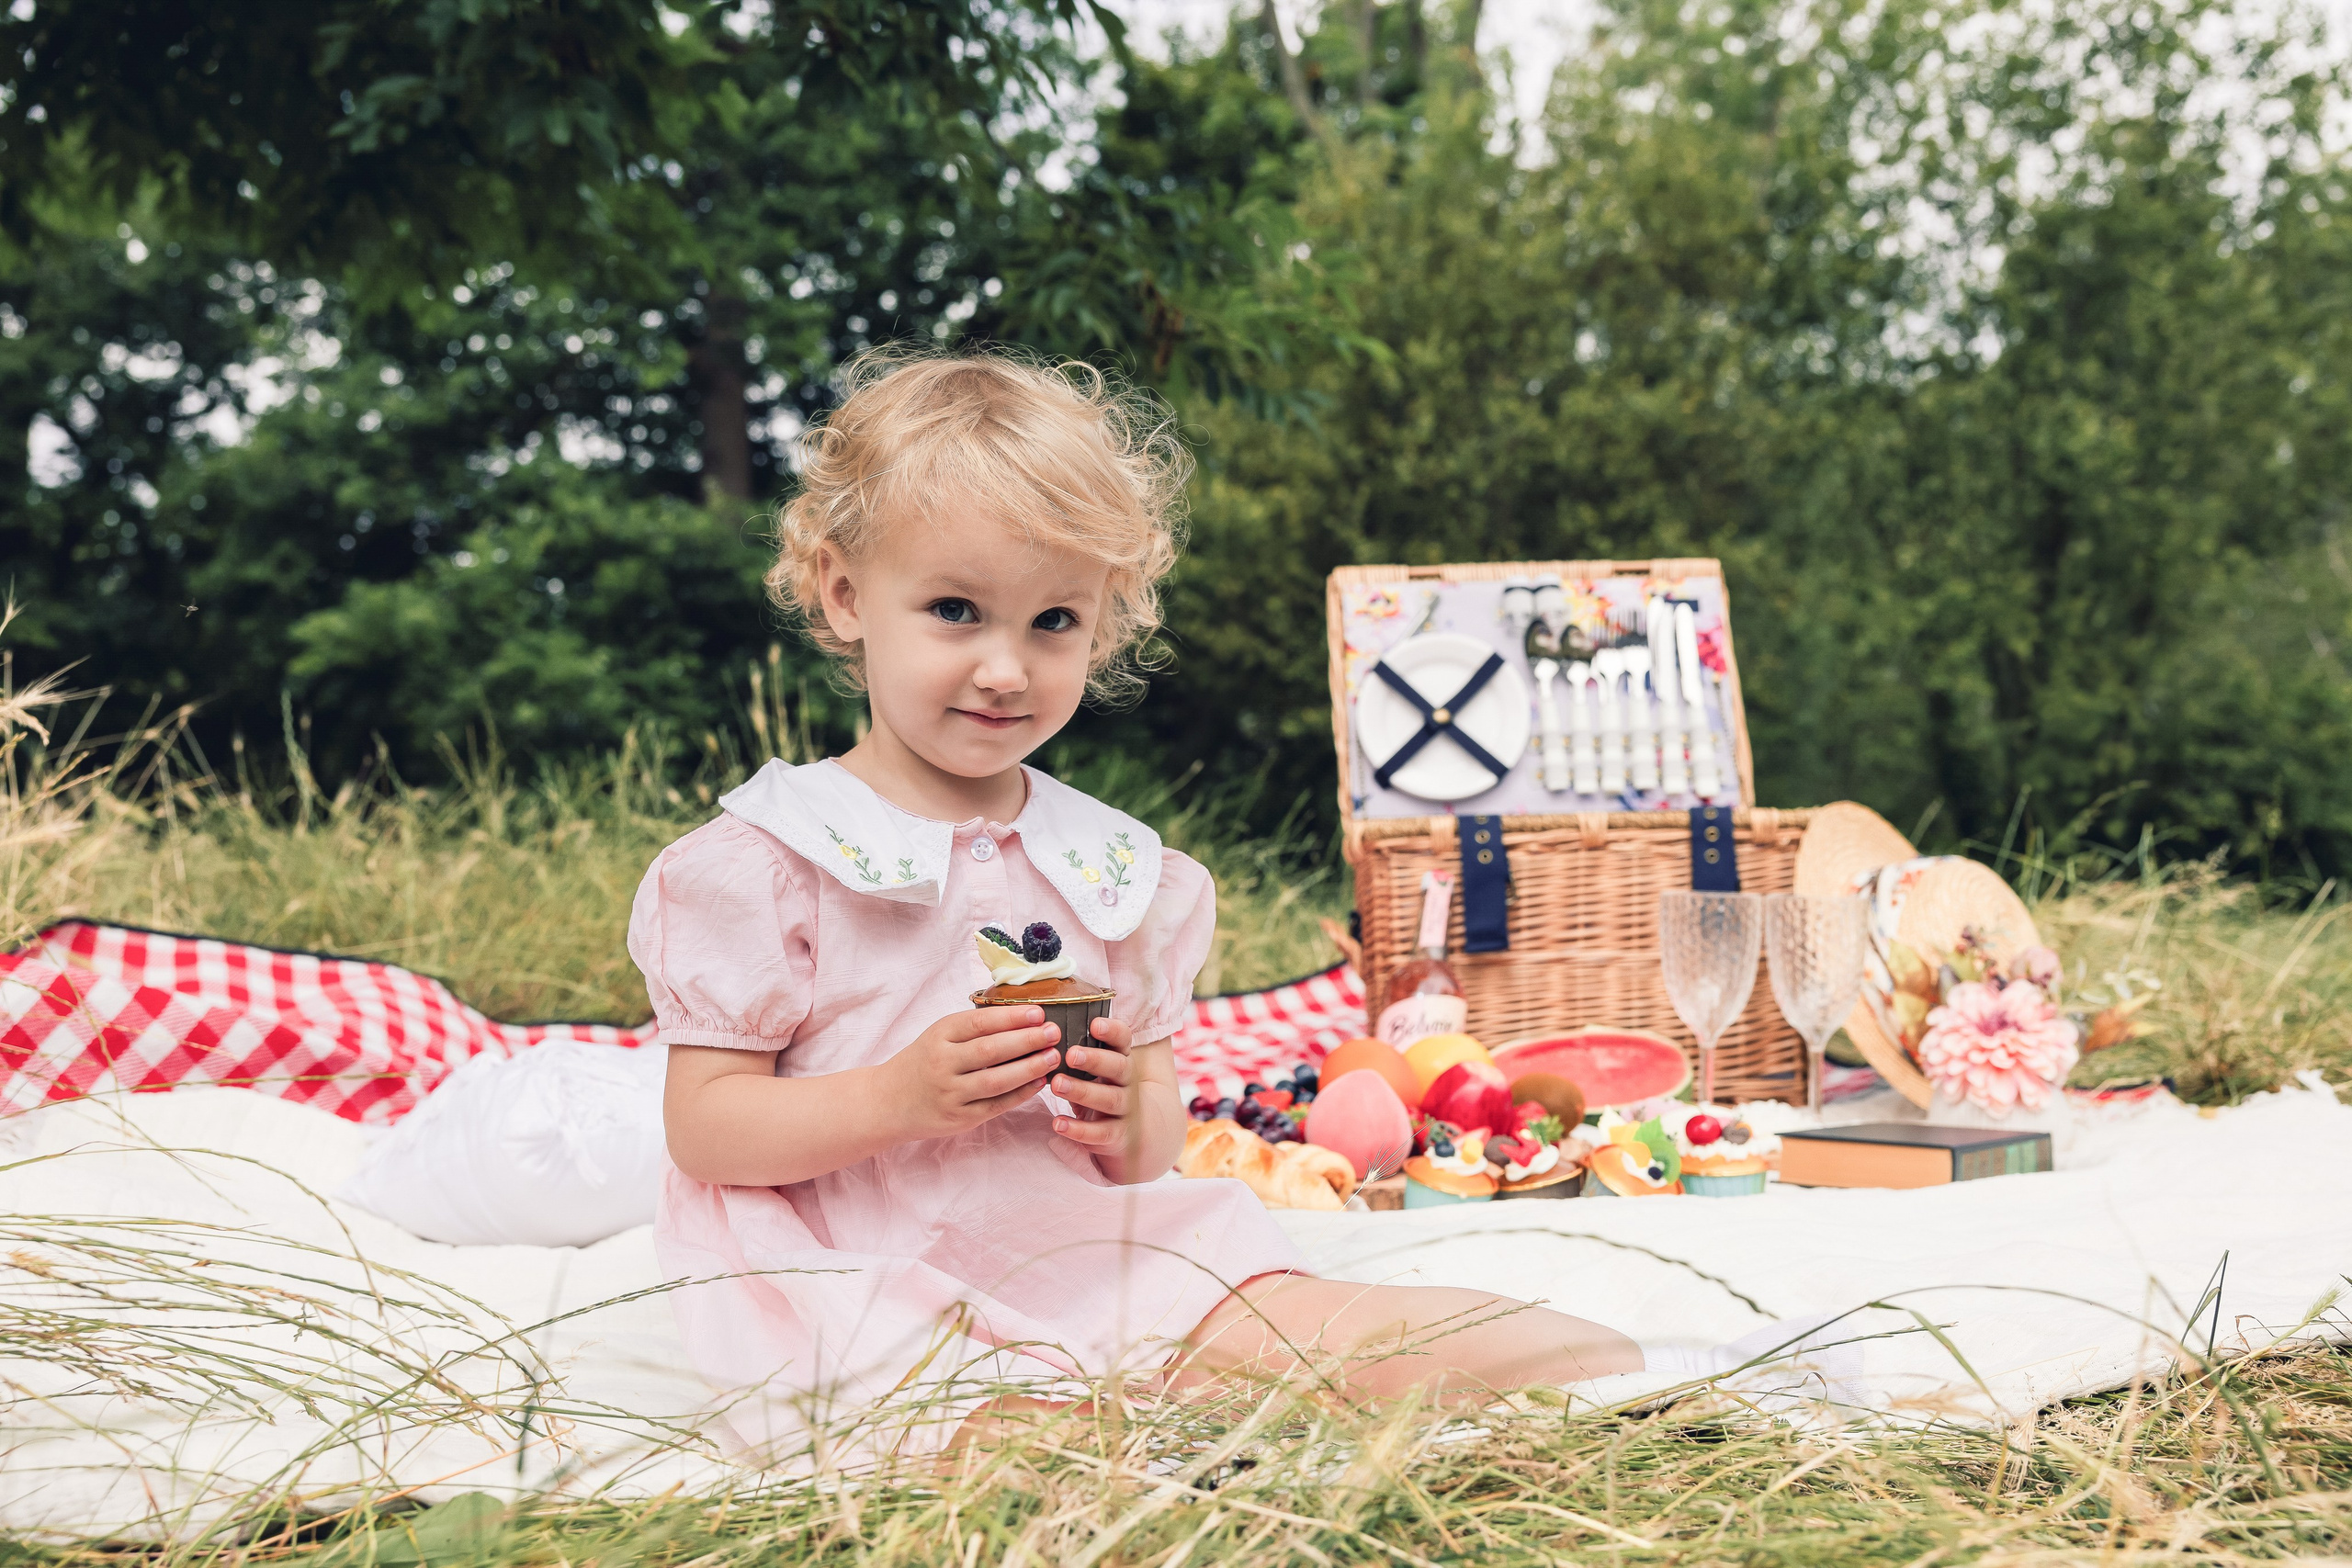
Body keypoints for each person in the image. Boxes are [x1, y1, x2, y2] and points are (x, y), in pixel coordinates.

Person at [629, 346, 1849, 1465]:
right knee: (1006, 1436)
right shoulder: (779, 857)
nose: (1007, 666)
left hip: (1074, 1236)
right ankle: (1188, 1478)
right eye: (955, 612)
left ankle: (1684, 1378)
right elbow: (709, 1127)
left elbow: (1156, 1134)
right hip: (863, 1268)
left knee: (1328, 1330)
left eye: (1053, 621)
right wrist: (895, 1097)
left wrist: (1120, 1117)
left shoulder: (1103, 870)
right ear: (845, 595)